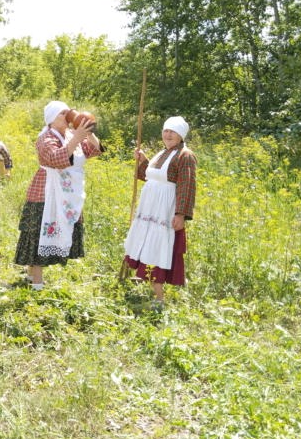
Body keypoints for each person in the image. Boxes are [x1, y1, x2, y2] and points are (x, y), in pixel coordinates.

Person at [13, 101, 102, 290]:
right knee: (38, 230)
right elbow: (54, 159)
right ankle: (37, 282)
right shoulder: (46, 138)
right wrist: (76, 138)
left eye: (68, 112)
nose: (68, 116)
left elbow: (94, 150)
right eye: (63, 114)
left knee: (55, 227)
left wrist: (87, 131)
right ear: (52, 119)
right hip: (47, 190)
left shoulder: (70, 135)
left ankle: (31, 275)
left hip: (68, 192)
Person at [123, 116, 197, 309]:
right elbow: (149, 177)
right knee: (145, 243)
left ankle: (159, 298)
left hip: (165, 209)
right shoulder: (162, 153)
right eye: (166, 131)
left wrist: (181, 214)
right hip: (149, 208)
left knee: (158, 247)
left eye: (173, 131)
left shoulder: (185, 155)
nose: (168, 134)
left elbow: (187, 186)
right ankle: (143, 278)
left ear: (181, 135)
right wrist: (143, 161)